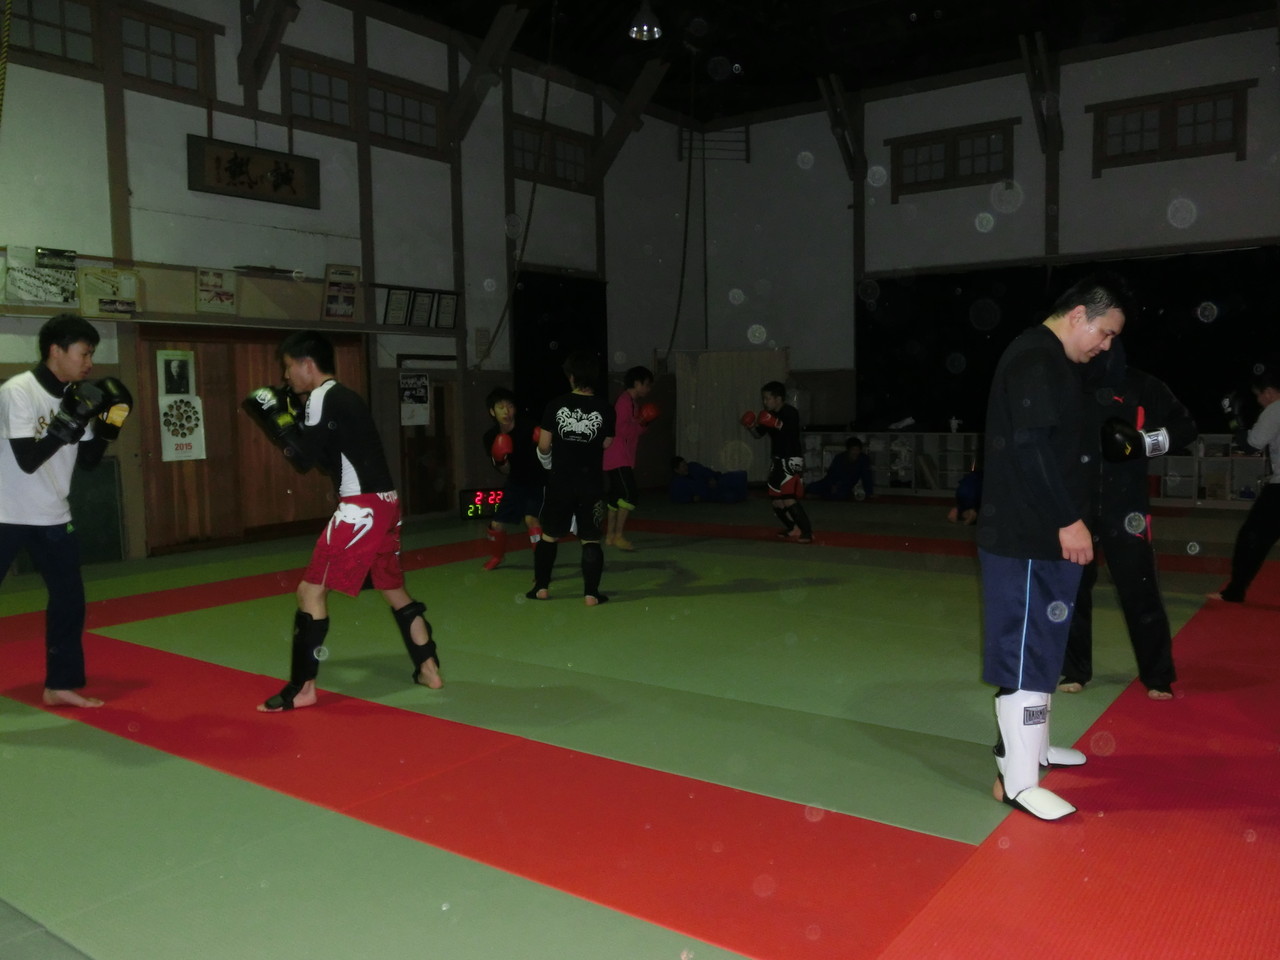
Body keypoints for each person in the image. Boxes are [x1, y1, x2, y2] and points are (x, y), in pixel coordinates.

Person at [977, 274, 1129, 820]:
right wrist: (1068, 520)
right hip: (1026, 536)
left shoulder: (1056, 361)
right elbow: (1031, 447)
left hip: (1045, 536)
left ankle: (1034, 750)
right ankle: (1017, 780)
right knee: (1024, 653)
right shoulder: (1034, 358)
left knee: (1044, 645)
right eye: (1105, 333)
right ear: (1079, 315)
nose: (1106, 346)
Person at [244, 330, 441, 712]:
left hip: (361, 509)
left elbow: (302, 460)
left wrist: (276, 420)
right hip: (386, 503)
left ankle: (302, 689)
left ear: (307, 364)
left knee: (310, 592)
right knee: (393, 588)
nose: (286, 377)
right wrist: (294, 421)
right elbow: (324, 458)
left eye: (289, 367)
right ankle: (428, 668)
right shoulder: (345, 397)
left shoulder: (322, 396)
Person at [0, 313, 132, 708]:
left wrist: (110, 423)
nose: (89, 362)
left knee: (69, 602)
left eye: (91, 354)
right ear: (56, 351)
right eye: (84, 353)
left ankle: (59, 684)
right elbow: (28, 459)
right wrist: (68, 421)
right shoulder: (18, 391)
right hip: (6, 514)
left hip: (53, 515)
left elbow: (89, 460)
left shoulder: (78, 396)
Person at [1061, 340, 1197, 700]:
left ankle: (1157, 675)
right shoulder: (1069, 382)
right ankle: (1074, 669)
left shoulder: (1142, 385)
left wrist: (1143, 443)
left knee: (1140, 591)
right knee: (1072, 592)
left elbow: (1186, 427)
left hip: (1128, 510)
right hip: (1077, 508)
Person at [527, 349, 615, 605]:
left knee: (549, 536)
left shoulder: (555, 405)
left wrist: (548, 461)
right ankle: (591, 594)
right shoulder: (605, 408)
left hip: (560, 482)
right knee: (590, 539)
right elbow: (607, 442)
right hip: (591, 484)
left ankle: (541, 588)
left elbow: (544, 445)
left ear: (572, 376)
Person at [1209, 365, 1280, 604]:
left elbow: (1250, 445)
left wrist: (1233, 419)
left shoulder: (1275, 409)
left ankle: (1235, 591)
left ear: (1268, 392)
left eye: (1259, 395)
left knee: (1251, 538)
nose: (1259, 401)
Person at [480, 386, 544, 570]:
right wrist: (501, 459)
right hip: (516, 482)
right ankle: (497, 557)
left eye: (509, 406)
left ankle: (542, 564)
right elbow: (505, 471)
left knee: (531, 520)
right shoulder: (490, 437)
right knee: (496, 525)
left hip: (537, 480)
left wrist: (544, 443)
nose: (506, 411)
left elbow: (549, 453)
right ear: (492, 412)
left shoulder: (530, 427)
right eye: (501, 407)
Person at [741, 381, 812, 543]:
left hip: (791, 458)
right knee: (776, 500)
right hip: (777, 459)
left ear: (778, 399)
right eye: (764, 398)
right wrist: (750, 426)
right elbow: (758, 434)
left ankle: (807, 531)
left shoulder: (790, 412)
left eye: (767, 398)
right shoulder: (768, 415)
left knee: (788, 497)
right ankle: (793, 528)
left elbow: (790, 431)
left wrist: (774, 423)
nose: (765, 402)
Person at [603, 365, 656, 551]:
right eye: (646, 384)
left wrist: (643, 423)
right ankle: (618, 535)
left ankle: (610, 536)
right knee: (629, 494)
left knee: (616, 496)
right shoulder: (624, 401)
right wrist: (641, 422)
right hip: (617, 456)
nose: (648, 389)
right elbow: (621, 430)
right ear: (637, 383)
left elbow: (635, 431)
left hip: (620, 456)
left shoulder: (632, 403)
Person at [808, 436, 875, 500]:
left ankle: (819, 496)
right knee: (812, 488)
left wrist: (869, 492)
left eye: (857, 450)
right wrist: (833, 484)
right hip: (831, 482)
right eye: (853, 450)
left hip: (846, 485)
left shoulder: (863, 459)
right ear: (848, 450)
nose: (855, 452)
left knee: (841, 494)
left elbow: (867, 477)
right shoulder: (840, 458)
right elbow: (832, 473)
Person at [669, 456, 748, 504]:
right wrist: (691, 498)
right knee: (730, 497)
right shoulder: (677, 483)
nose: (686, 467)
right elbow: (675, 497)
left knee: (740, 475)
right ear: (676, 470)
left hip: (717, 480)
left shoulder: (693, 466)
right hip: (711, 494)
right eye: (683, 466)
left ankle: (742, 494)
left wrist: (711, 478)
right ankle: (740, 496)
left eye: (685, 464)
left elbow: (706, 471)